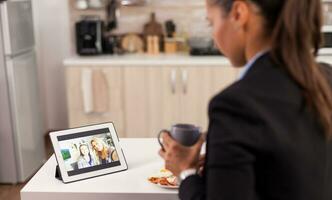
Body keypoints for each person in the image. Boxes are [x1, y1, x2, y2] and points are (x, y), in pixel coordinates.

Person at [159, 0, 332, 200]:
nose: (214, 37)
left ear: (239, 14)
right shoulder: (326, 77)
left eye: (211, 23)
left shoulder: (234, 106)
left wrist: (186, 172)